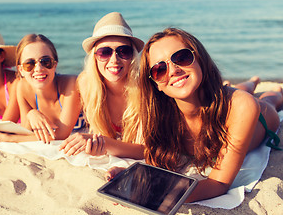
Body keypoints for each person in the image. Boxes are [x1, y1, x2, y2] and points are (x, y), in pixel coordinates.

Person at [108, 27, 283, 202]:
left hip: (262, 118)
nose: (173, 70)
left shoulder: (242, 106)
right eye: (159, 69)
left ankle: (274, 89)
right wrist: (132, 177)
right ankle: (252, 82)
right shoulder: (160, 116)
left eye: (181, 58)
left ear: (199, 58)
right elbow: (156, 166)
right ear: (156, 84)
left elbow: (219, 183)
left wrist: (164, 194)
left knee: (269, 100)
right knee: (234, 90)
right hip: (220, 96)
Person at [59, 12, 145, 159]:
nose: (114, 59)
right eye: (105, 52)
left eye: (123, 51)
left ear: (132, 56)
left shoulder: (144, 90)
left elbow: (145, 150)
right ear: (94, 57)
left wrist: (104, 143)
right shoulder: (86, 84)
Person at [0, 34, 83, 143]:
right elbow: (26, 132)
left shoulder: (71, 85)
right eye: (29, 64)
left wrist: (4, 138)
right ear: (21, 70)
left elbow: (60, 135)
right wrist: (31, 114)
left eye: (46, 61)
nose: (39, 68)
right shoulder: (23, 87)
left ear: (55, 64)